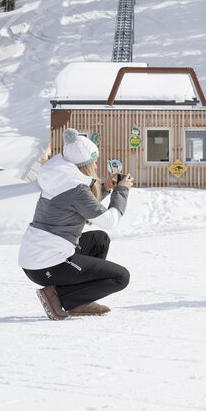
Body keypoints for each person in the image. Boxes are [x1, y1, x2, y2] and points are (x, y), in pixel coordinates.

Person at [18, 128, 133, 320]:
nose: (96, 166)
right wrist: (122, 191)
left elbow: (82, 209)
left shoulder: (61, 179)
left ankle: (77, 299)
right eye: (93, 162)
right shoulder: (75, 188)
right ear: (84, 166)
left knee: (99, 240)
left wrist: (104, 188)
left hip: (37, 258)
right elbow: (110, 221)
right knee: (121, 277)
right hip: (46, 264)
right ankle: (63, 298)